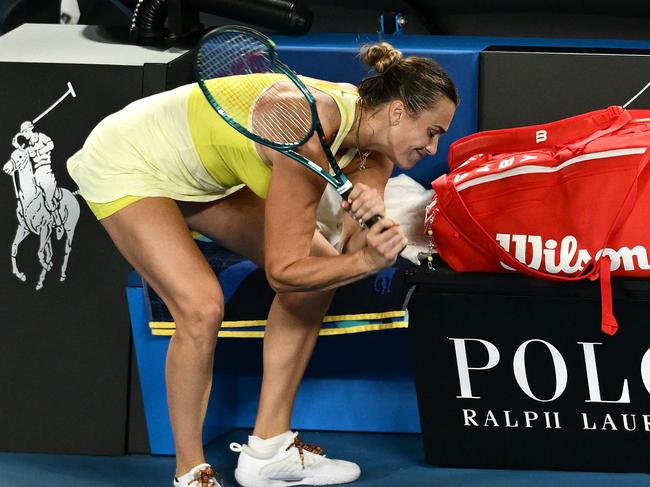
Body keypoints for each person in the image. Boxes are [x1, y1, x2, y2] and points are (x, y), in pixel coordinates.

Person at [67, 41, 457, 487]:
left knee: (319, 280)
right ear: (397, 112)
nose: (433, 147)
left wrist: (372, 224)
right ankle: (190, 472)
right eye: (432, 132)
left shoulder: (377, 148)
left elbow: (352, 240)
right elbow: (284, 272)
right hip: (131, 157)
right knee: (201, 308)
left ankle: (269, 451)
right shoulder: (305, 134)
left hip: (205, 172)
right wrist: (369, 261)